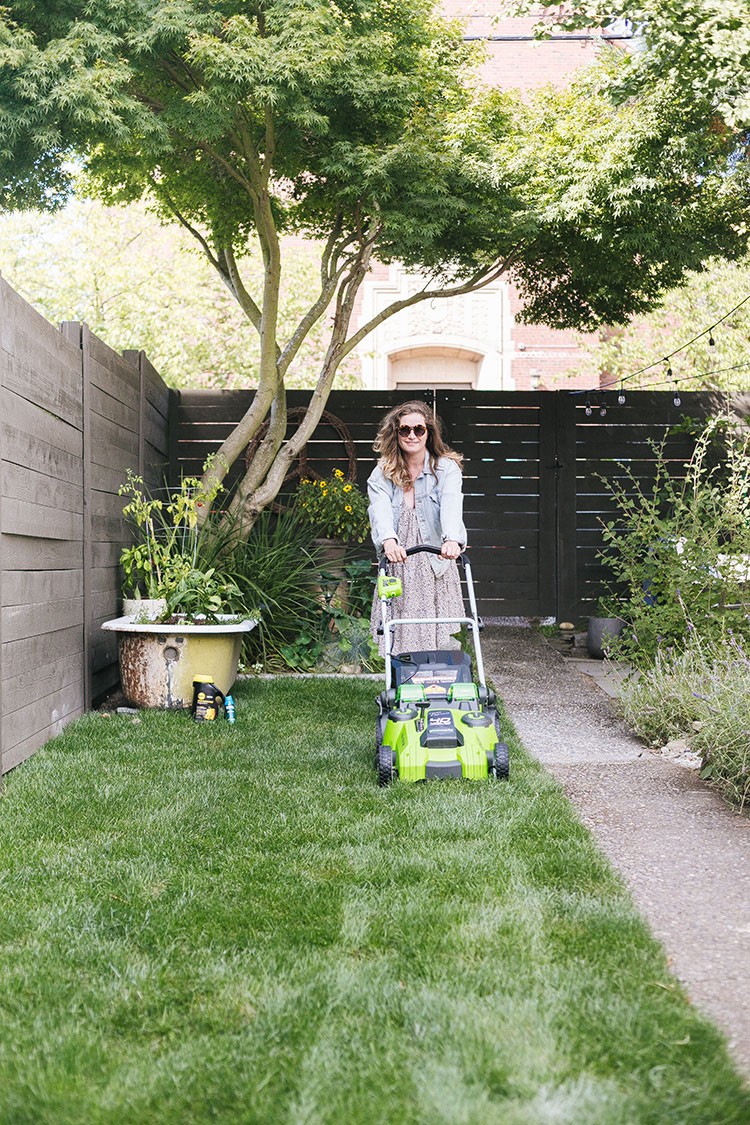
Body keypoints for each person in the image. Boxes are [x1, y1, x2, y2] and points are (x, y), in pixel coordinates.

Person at [368, 400, 467, 654]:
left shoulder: (446, 469)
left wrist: (452, 540)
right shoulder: (382, 474)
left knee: (435, 631)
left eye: (418, 430)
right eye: (405, 430)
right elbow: (379, 511)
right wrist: (388, 541)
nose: (412, 435)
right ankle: (403, 682)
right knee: (399, 628)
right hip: (399, 560)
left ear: (428, 433)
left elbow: (452, 505)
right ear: (396, 433)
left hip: (434, 559)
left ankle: (435, 681)